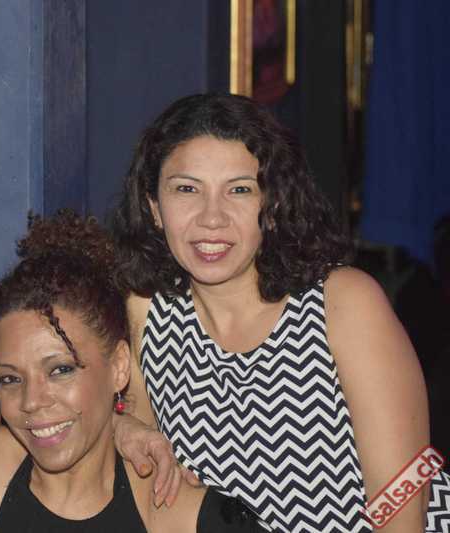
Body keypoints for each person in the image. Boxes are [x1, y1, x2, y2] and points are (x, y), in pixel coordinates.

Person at [111, 93, 450, 532]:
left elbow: (402, 497)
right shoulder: (147, 311)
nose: (212, 218)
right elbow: (138, 440)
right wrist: (122, 428)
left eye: (239, 189)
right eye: (187, 189)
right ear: (154, 207)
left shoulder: (341, 303)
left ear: (272, 206)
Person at [0, 210, 264, 532]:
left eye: (60, 370)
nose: (31, 401)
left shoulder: (178, 516)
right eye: (10, 379)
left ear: (119, 367)